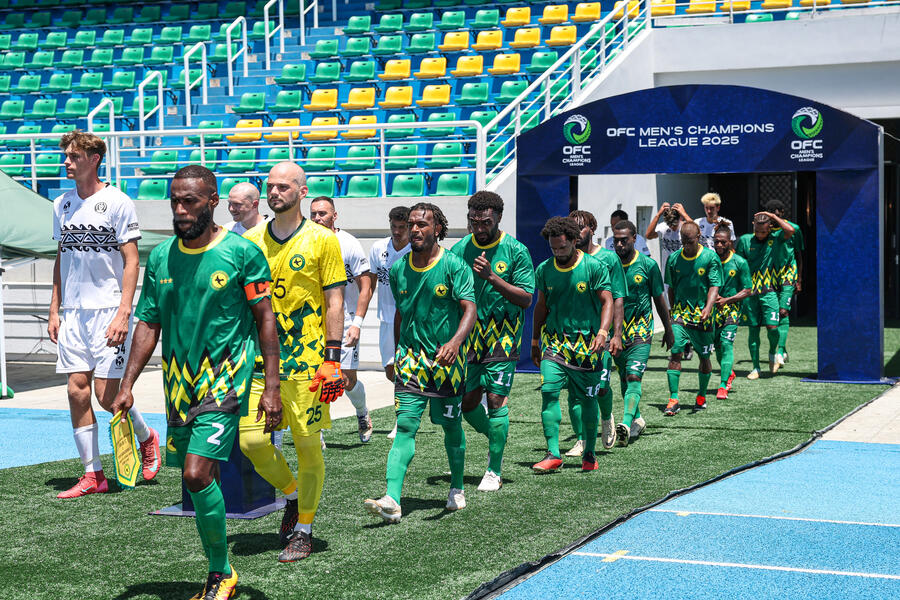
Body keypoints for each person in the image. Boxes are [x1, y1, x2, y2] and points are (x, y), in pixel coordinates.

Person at [110, 165, 282, 599]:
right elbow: (148, 322)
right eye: (174, 201)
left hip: (225, 380)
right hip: (179, 385)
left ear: (212, 200)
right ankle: (220, 568)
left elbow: (266, 320)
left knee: (196, 472)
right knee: (193, 479)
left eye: (189, 201)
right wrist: (127, 383)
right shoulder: (163, 256)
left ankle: (220, 572)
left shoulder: (242, 253)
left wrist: (273, 386)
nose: (181, 209)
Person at [240, 163, 347, 562]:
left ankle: (304, 527)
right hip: (259, 362)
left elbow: (335, 299)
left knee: (307, 447)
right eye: (270, 186)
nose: (274, 192)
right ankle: (292, 493)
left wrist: (333, 358)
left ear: (302, 192)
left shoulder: (323, 239)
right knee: (251, 441)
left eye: (283, 186)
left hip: (308, 365)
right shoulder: (250, 240)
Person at [49, 130, 160, 499]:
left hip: (109, 310)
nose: (66, 161)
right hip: (73, 314)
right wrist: (54, 309)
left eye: (73, 156)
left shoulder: (117, 201)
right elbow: (61, 258)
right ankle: (92, 474)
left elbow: (131, 260)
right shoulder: (61, 204)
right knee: (75, 390)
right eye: (65, 155)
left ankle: (146, 437)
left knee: (105, 397)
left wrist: (123, 312)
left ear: (94, 159)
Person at [364, 203, 476, 523]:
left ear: (438, 229)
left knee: (450, 425)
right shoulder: (399, 269)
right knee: (407, 427)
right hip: (412, 360)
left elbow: (470, 309)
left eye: (422, 224)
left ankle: (456, 488)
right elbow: (401, 313)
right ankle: (393, 499)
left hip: (447, 361)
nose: (415, 229)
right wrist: (398, 352)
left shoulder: (455, 266)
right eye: (412, 224)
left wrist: (455, 343)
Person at [451, 191, 534, 492]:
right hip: (470, 339)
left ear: (498, 217)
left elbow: (526, 298)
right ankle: (496, 438)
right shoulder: (460, 249)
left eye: (485, 221)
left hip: (504, 338)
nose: (479, 227)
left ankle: (493, 470)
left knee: (496, 400)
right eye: (474, 221)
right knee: (468, 403)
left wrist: (492, 278)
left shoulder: (516, 251)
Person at [531, 217, 614, 472]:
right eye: (553, 248)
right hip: (555, 343)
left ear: (575, 242)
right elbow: (542, 306)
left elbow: (607, 302)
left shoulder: (594, 266)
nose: (557, 252)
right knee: (549, 392)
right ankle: (553, 453)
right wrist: (535, 340)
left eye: (562, 248)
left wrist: (603, 332)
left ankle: (589, 453)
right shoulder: (544, 269)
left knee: (587, 400)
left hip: (588, 346)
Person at [309, 196, 375, 443]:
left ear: (335, 216)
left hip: (344, 321)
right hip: (312, 323)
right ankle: (319, 429)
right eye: (314, 214)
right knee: (315, 376)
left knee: (346, 380)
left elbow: (366, 286)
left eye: (323, 213)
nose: (317, 218)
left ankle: (362, 412)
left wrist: (357, 323)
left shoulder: (348, 243)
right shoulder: (306, 240)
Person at [568, 209, 627, 455]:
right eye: (572, 228)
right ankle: (581, 439)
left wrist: (615, 334)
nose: (576, 233)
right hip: (571, 336)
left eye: (581, 228)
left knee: (601, 387)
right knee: (573, 391)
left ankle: (606, 416)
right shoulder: (566, 259)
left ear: (592, 229)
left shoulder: (609, 259)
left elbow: (617, 300)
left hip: (599, 336)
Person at [610, 220, 673, 446]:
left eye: (624, 240)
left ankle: (625, 423)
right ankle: (637, 419)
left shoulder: (648, 265)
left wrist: (668, 328)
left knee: (634, 376)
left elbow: (659, 298)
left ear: (634, 238)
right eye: (616, 240)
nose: (619, 244)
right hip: (615, 333)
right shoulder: (608, 265)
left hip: (641, 330)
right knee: (624, 380)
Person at [663, 222, 722, 416]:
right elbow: (671, 287)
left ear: (698, 238)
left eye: (690, 241)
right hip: (680, 315)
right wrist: (672, 311)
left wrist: (708, 307)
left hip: (703, 316)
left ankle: (702, 394)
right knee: (676, 352)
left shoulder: (710, 257)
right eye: (683, 242)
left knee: (704, 357)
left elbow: (714, 286)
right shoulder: (673, 259)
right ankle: (673, 398)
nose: (686, 245)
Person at [367, 206, 412, 439]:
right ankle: (409, 409)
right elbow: (371, 283)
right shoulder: (378, 248)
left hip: (411, 320)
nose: (396, 231)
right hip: (386, 319)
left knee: (403, 370)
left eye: (401, 227)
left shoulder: (416, 249)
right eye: (393, 226)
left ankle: (402, 420)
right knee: (390, 371)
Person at [735, 212, 794, 378]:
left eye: (763, 231)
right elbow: (738, 264)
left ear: (770, 229)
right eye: (757, 230)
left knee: (773, 327)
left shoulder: (774, 238)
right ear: (753, 226)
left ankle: (772, 352)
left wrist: (771, 216)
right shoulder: (746, 240)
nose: (760, 234)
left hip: (769, 291)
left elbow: (789, 230)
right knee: (753, 330)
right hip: (750, 293)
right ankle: (755, 368)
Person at [711, 224, 753, 400]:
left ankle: (722, 386)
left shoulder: (740, 262)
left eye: (723, 242)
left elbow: (748, 289)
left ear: (730, 242)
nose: (719, 245)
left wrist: (727, 300)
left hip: (731, 311)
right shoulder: (708, 260)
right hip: (711, 311)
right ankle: (729, 373)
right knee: (717, 348)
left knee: (726, 344)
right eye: (716, 242)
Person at [765, 199, 804, 364]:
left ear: (782, 212)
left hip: (789, 274)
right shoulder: (765, 229)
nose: (775, 215)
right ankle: (782, 346)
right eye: (771, 212)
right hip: (770, 276)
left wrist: (799, 278)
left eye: (777, 211)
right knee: (774, 315)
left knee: (783, 311)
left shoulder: (793, 228)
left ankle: (779, 351)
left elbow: (799, 254)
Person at [646, 202, 693, 273]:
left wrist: (684, 214)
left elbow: (698, 232)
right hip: (667, 271)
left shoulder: (686, 227)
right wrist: (658, 215)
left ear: (680, 218)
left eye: (674, 225)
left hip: (684, 269)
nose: (672, 228)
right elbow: (648, 235)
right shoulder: (664, 227)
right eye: (670, 225)